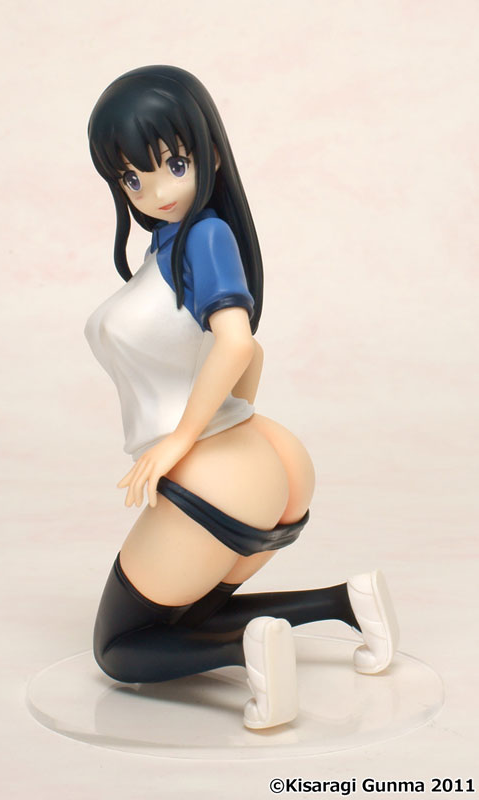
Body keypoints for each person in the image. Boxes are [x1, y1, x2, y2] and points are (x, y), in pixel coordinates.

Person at [84, 65, 399, 730]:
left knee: (119, 646)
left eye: (173, 164)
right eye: (132, 178)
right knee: (185, 614)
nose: (155, 191)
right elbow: (251, 359)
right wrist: (238, 443)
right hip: (256, 458)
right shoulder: (172, 245)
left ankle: (248, 657)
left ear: (211, 153)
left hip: (217, 471)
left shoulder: (204, 236)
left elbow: (236, 342)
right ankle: (346, 603)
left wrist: (180, 443)